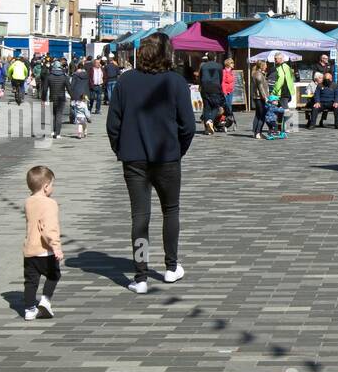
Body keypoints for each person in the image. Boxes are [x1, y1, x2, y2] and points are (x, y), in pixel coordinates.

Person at [107, 32, 195, 294]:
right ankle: (171, 266)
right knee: (171, 211)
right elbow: (188, 126)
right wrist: (178, 150)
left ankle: (141, 275)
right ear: (167, 54)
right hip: (167, 156)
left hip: (134, 158)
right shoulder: (176, 82)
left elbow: (114, 124)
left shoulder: (125, 81)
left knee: (140, 216)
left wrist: (121, 149)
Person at [21, 165, 63, 321]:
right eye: (52, 185)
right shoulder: (50, 203)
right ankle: (45, 300)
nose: (53, 188)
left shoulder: (28, 202)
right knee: (54, 275)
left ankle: (29, 309)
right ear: (46, 187)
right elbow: (49, 229)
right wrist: (56, 246)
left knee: (31, 281)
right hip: (46, 250)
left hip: (30, 250)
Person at [41, 59, 70, 140]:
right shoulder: (64, 77)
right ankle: (57, 134)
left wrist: (43, 99)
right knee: (59, 115)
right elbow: (69, 88)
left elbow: (44, 89)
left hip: (52, 98)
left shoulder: (49, 76)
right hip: (61, 98)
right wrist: (74, 97)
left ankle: (53, 131)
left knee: (53, 115)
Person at [198, 53, 224, 134]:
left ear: (207, 58)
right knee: (215, 106)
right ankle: (210, 120)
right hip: (215, 88)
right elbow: (221, 78)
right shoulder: (219, 66)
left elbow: (200, 77)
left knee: (206, 107)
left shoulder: (203, 66)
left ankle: (207, 129)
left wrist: (200, 86)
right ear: (215, 57)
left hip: (205, 88)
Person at [67, 61, 90, 139]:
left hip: (76, 93)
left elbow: (72, 85)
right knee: (84, 106)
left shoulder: (75, 75)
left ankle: (74, 119)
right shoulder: (87, 75)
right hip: (85, 93)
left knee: (75, 106)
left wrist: (71, 93)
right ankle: (86, 118)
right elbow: (88, 84)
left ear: (77, 67)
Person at [250, 60, 270, 140]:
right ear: (261, 66)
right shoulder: (259, 75)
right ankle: (258, 132)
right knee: (262, 116)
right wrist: (265, 98)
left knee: (257, 115)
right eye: (265, 65)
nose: (266, 66)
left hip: (256, 97)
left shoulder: (256, 73)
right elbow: (261, 88)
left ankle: (255, 132)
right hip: (260, 97)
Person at [220, 57, 238, 130]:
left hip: (230, 92)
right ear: (228, 64)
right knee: (227, 107)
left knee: (229, 107)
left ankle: (229, 122)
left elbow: (232, 81)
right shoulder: (224, 72)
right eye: (232, 63)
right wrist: (224, 92)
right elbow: (223, 82)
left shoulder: (231, 72)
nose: (233, 64)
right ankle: (227, 121)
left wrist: (232, 88)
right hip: (226, 92)